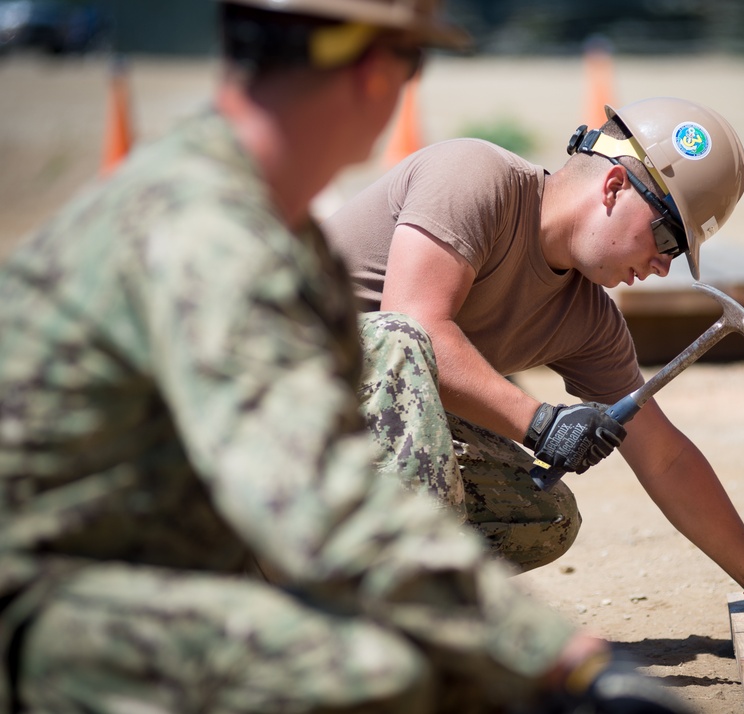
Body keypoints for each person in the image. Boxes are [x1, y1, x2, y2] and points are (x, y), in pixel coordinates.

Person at [0, 2, 695, 712]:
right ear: (374, 72)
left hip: (133, 562)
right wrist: (563, 663)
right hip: (42, 600)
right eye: (413, 64)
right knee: (386, 669)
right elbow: (320, 496)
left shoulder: (248, 213)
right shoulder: (208, 230)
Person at [322, 96, 744, 607]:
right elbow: (412, 326)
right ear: (615, 186)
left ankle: (337, 585)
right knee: (400, 343)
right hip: (272, 397)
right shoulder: (474, 178)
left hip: (350, 434)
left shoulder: (587, 321)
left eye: (680, 254)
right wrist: (540, 423)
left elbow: (663, 456)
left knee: (540, 514)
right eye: (667, 238)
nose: (665, 265)